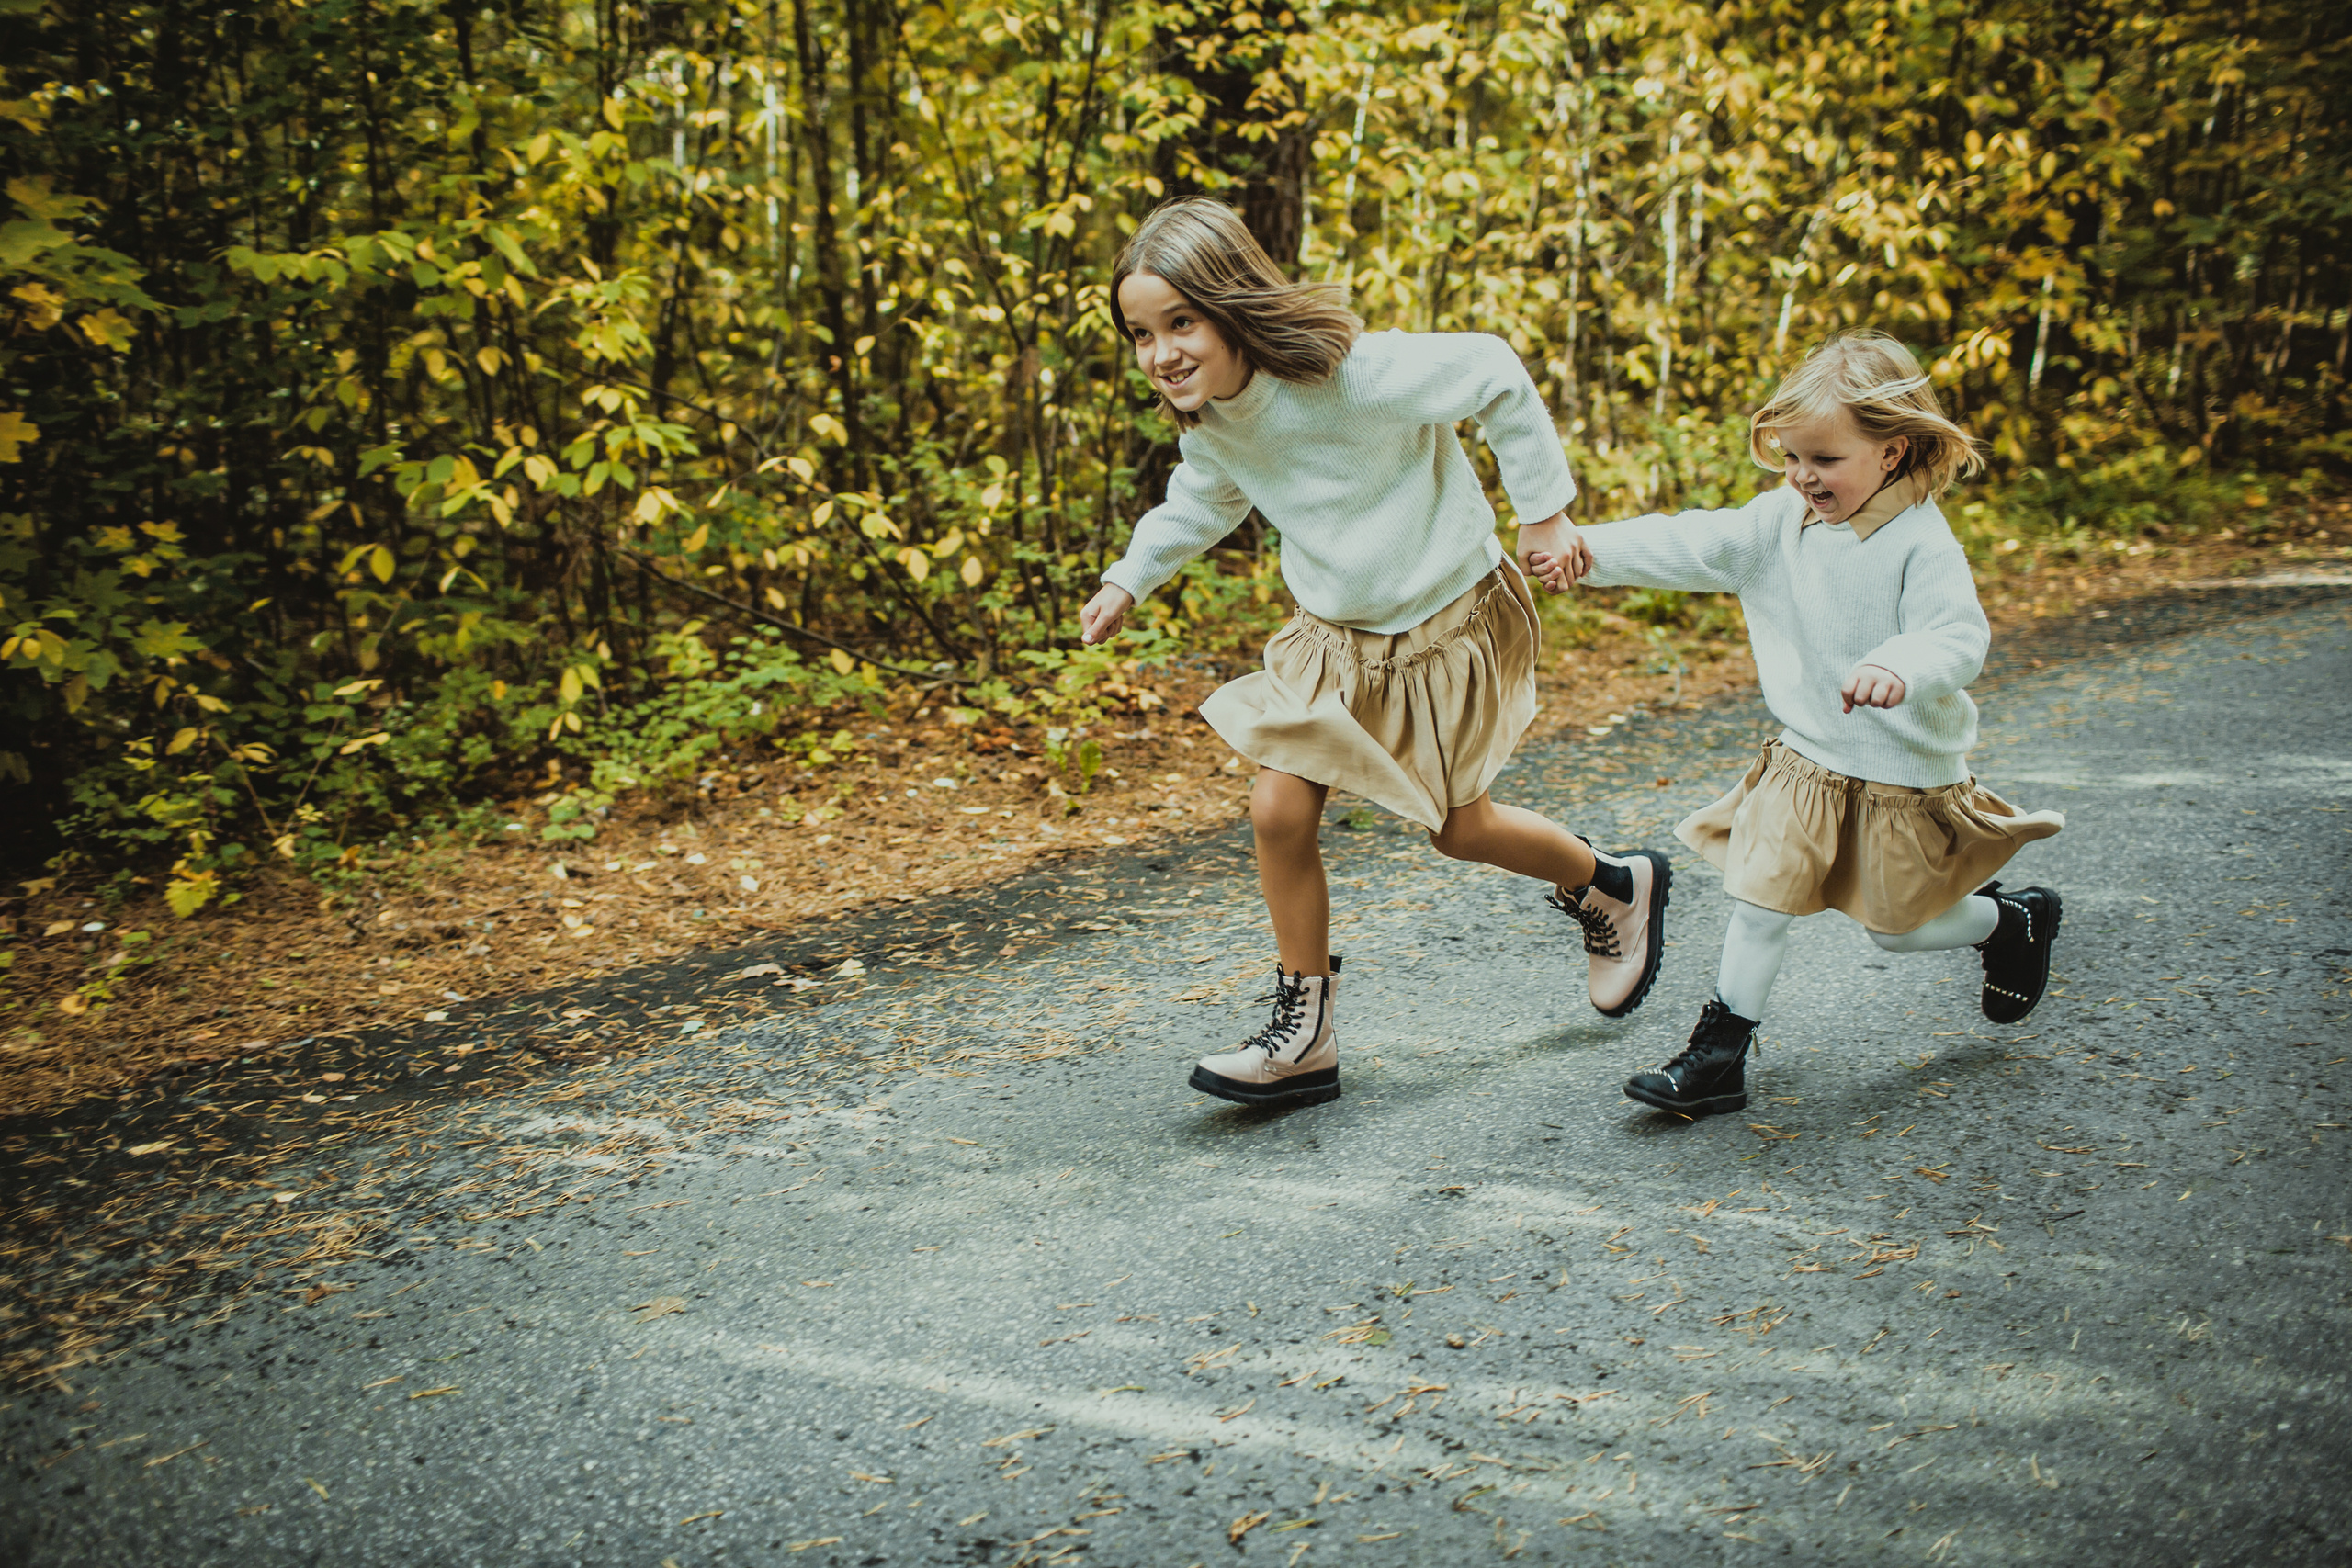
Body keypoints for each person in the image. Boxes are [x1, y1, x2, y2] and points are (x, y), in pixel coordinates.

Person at [1079, 197, 1668, 1110]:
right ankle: (1305, 1030)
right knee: (1277, 806)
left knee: (1457, 829)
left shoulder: (1353, 374)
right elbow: (1201, 500)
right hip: (1333, 639)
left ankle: (1613, 885)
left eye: (1180, 322)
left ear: (1232, 304)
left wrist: (1543, 509)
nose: (1161, 353)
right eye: (1140, 334)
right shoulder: (1220, 420)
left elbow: (1494, 371)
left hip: (1446, 621)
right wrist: (1128, 578)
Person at [1526, 329, 2065, 1118]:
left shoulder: (1922, 542)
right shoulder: (1778, 523)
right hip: (1808, 759)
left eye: (1825, 459)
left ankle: (2011, 921)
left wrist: (1902, 666)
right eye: (1792, 458)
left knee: (1897, 930)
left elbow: (1959, 636)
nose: (1804, 477)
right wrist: (1584, 549)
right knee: (1760, 899)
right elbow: (1691, 540)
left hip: (1901, 773)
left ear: (1893, 451)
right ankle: (1719, 1055)